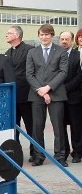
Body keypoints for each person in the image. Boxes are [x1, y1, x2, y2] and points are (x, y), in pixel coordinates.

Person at [26, 23, 68, 167]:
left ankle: (60, 156)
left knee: (58, 127)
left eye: (47, 34)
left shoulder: (61, 51)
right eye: (41, 35)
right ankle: (38, 155)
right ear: (38, 36)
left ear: (52, 36)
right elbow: (29, 74)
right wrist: (41, 90)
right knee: (37, 127)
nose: (44, 37)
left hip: (56, 93)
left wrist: (48, 88)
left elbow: (63, 72)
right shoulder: (32, 52)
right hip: (36, 94)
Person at [5, 25, 36, 162]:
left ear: (17, 35)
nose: (6, 35)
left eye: (9, 33)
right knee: (13, 127)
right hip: (12, 97)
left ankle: (35, 153)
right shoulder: (7, 52)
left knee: (31, 126)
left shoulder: (29, 50)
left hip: (27, 95)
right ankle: (15, 154)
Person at [59, 31, 82, 164]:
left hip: (74, 97)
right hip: (59, 99)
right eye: (62, 39)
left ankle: (78, 152)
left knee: (76, 126)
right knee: (61, 127)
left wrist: (65, 88)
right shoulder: (55, 54)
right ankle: (64, 151)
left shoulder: (77, 55)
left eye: (67, 39)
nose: (64, 41)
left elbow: (79, 76)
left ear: (72, 40)